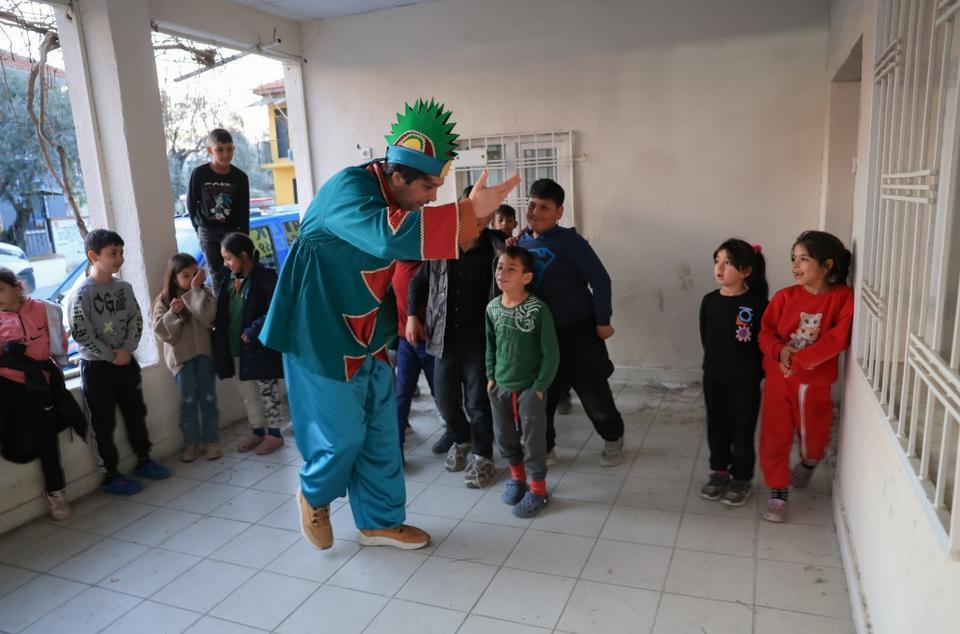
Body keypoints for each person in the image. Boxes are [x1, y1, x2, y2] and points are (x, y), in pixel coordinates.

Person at [260, 99, 519, 551]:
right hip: (317, 332)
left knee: (381, 435)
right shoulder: (348, 189)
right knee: (341, 437)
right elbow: (388, 235)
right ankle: (314, 495)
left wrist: (473, 218)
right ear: (398, 176)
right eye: (428, 185)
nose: (432, 196)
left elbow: (414, 239)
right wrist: (466, 212)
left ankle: (379, 521)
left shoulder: (391, 196)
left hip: (367, 336)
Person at [517, 178, 625, 466]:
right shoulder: (520, 243)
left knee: (593, 391)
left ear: (559, 212)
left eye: (545, 207)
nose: (535, 212)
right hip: (539, 335)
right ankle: (545, 446)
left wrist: (603, 321)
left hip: (578, 331)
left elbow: (601, 281)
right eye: (532, 205)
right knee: (542, 395)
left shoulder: (571, 242)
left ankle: (613, 436)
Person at [758, 230, 853, 523]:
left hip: (814, 382)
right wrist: (781, 351)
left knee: (814, 434)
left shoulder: (843, 298)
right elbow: (765, 332)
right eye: (793, 259)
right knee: (774, 433)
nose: (795, 265)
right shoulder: (784, 297)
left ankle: (810, 460)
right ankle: (778, 490)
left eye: (804, 259)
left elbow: (837, 339)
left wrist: (800, 360)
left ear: (827, 265)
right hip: (779, 377)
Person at [406, 212, 504, 488]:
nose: (478, 221)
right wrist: (412, 316)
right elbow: (417, 282)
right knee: (445, 400)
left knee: (477, 401)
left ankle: (483, 456)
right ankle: (461, 440)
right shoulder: (441, 247)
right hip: (444, 338)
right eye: (473, 214)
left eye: (484, 216)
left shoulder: (497, 250)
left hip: (480, 339)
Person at [69, 229, 170, 496]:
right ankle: (111, 475)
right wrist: (111, 355)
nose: (119, 258)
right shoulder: (81, 293)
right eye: (113, 253)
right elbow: (81, 333)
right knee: (103, 423)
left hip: (126, 362)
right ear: (93, 256)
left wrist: (126, 350)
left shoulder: (124, 288)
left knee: (136, 413)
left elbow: (136, 320)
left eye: (121, 252)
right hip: (97, 368)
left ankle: (144, 459)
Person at [0, 268, 85, 520]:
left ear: (17, 288)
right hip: (7, 386)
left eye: (0, 290)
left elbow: (58, 345)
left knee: (47, 440)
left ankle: (56, 495)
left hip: (39, 386)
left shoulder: (43, 310)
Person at [485, 247, 559, 518]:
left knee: (533, 440)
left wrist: (540, 386)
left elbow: (551, 352)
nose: (502, 273)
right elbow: (490, 345)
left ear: (526, 278)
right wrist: (491, 376)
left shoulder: (538, 309)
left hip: (530, 389)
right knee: (504, 436)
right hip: (500, 387)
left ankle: (538, 488)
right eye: (500, 267)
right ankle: (517, 479)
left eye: (511, 269)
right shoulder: (492, 308)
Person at [698, 239, 768, 507]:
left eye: (728, 263)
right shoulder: (709, 301)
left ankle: (741, 477)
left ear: (746, 271)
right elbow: (706, 337)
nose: (720, 267)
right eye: (717, 261)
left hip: (745, 381)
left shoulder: (758, 305)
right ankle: (719, 472)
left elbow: (762, 344)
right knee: (716, 425)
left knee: (742, 430)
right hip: (714, 377)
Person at [213, 232, 285, 456]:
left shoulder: (266, 277)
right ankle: (257, 430)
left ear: (244, 256)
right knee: (247, 393)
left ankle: (275, 434)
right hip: (237, 349)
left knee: (267, 391)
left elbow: (275, 309)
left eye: (228, 258)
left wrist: (254, 329)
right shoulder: (227, 279)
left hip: (259, 348)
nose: (226, 263)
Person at [151, 254, 221, 463]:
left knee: (209, 399)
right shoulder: (164, 300)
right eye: (185, 275)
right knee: (188, 402)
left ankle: (212, 441)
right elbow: (161, 332)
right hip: (181, 360)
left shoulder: (203, 293)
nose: (191, 279)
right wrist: (172, 314)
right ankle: (191, 443)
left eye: (195, 273)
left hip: (205, 355)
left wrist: (196, 290)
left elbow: (209, 317)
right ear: (174, 278)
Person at [187, 128, 250, 292]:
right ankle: (220, 307)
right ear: (210, 150)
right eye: (220, 150)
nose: (225, 154)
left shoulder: (240, 177)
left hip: (231, 232)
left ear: (234, 148)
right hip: (208, 231)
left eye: (229, 149)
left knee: (236, 272)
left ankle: (237, 305)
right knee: (216, 274)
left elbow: (244, 212)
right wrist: (199, 228)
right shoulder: (199, 174)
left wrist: (244, 239)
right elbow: (191, 204)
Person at [393, 260, 435, 453]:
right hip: (405, 341)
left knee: (443, 396)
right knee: (401, 395)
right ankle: (396, 448)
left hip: (432, 342)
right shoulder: (394, 265)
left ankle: (458, 438)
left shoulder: (431, 263)